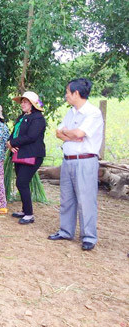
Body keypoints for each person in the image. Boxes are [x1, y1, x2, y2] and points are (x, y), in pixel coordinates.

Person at [48, 78, 103, 251]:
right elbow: (59, 132)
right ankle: (65, 231)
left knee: (86, 200)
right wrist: (71, 135)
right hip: (68, 160)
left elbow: (80, 133)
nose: (66, 95)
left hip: (85, 161)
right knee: (67, 198)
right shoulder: (71, 112)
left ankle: (88, 236)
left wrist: (72, 134)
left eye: (67, 92)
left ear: (76, 93)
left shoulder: (92, 113)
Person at [7, 91, 46, 224]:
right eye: (22, 102)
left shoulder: (38, 118)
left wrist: (13, 142)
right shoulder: (21, 117)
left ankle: (29, 215)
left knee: (21, 182)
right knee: (22, 182)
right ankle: (25, 211)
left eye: (25, 102)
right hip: (20, 154)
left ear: (32, 104)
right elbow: (14, 133)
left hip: (33, 154)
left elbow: (31, 136)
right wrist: (9, 143)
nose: (22, 104)